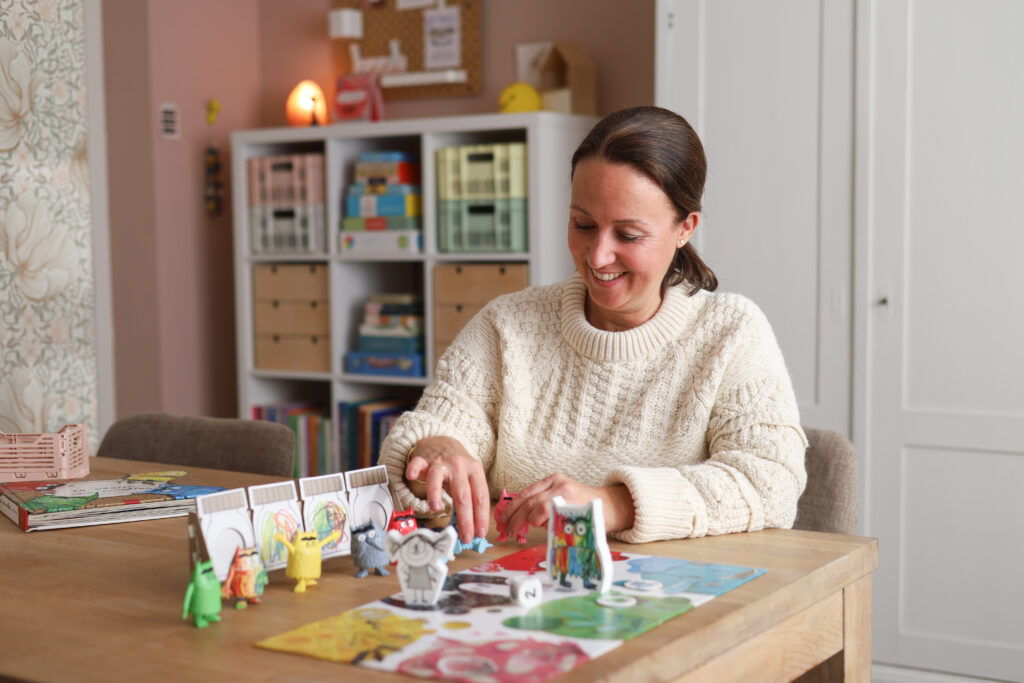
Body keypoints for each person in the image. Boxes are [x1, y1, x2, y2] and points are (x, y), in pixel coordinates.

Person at [378, 106, 807, 546]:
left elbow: (770, 484)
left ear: (686, 228)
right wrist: (431, 452)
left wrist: (612, 504)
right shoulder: (507, 325)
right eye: (583, 224)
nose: (598, 256)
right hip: (517, 586)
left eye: (628, 235)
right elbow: (435, 434)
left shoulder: (731, 334)